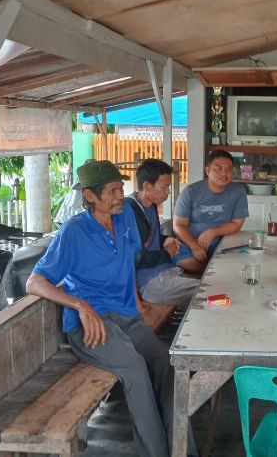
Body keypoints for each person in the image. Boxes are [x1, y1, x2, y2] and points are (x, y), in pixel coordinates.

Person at [25, 159, 196, 457]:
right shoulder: (73, 231)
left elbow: (130, 261)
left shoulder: (125, 216)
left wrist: (137, 303)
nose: (120, 196)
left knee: (168, 364)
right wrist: (80, 305)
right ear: (90, 196)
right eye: (112, 191)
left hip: (127, 317)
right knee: (135, 369)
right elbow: (34, 282)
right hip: (92, 326)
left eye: (121, 188)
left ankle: (183, 450)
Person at [126, 159, 199, 307]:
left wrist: (165, 239)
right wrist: (167, 254)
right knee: (207, 291)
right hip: (149, 283)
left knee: (209, 285)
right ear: (147, 186)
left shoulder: (150, 205)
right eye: (165, 187)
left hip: (166, 271)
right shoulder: (130, 211)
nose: (168, 192)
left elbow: (148, 238)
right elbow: (135, 257)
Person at [172, 150, 248, 274]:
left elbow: (237, 224)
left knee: (241, 259)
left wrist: (212, 232)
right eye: (219, 169)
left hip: (222, 241)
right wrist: (194, 246)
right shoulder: (191, 191)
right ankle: (212, 271)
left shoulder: (238, 191)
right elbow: (178, 225)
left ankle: (213, 269)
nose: (224, 173)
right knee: (184, 261)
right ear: (207, 171)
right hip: (190, 241)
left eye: (228, 169)